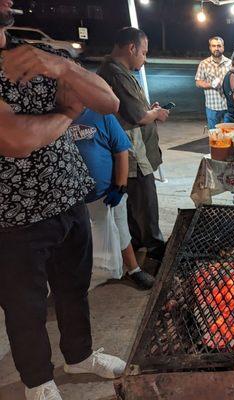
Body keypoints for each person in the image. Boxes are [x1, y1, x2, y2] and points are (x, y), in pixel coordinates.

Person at [0, 2, 126, 399]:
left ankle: (80, 356)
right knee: (26, 307)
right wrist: (68, 114)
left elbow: (109, 103)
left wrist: (66, 68)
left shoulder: (36, 54)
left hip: (69, 197)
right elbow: (15, 140)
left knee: (74, 289)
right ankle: (37, 381)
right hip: (13, 214)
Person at [98, 27, 167, 262]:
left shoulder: (120, 70)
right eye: (144, 52)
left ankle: (137, 239)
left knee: (135, 201)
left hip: (134, 148)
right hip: (133, 151)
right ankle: (154, 247)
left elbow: (135, 108)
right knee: (144, 199)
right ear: (131, 48)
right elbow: (138, 116)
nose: (144, 58)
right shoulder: (115, 73)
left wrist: (151, 109)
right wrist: (156, 113)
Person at [70, 108, 156, 290]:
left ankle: (133, 269)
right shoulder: (56, 117)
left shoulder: (101, 115)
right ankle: (85, 274)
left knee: (120, 228)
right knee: (79, 237)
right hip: (72, 198)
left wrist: (120, 185)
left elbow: (121, 150)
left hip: (106, 192)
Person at [195, 36, 232, 129]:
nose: (216, 48)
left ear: (223, 47)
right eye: (214, 46)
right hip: (212, 106)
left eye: (219, 46)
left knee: (228, 134)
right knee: (214, 135)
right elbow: (198, 82)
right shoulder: (204, 64)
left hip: (228, 105)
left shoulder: (230, 63)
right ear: (210, 47)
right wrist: (210, 85)